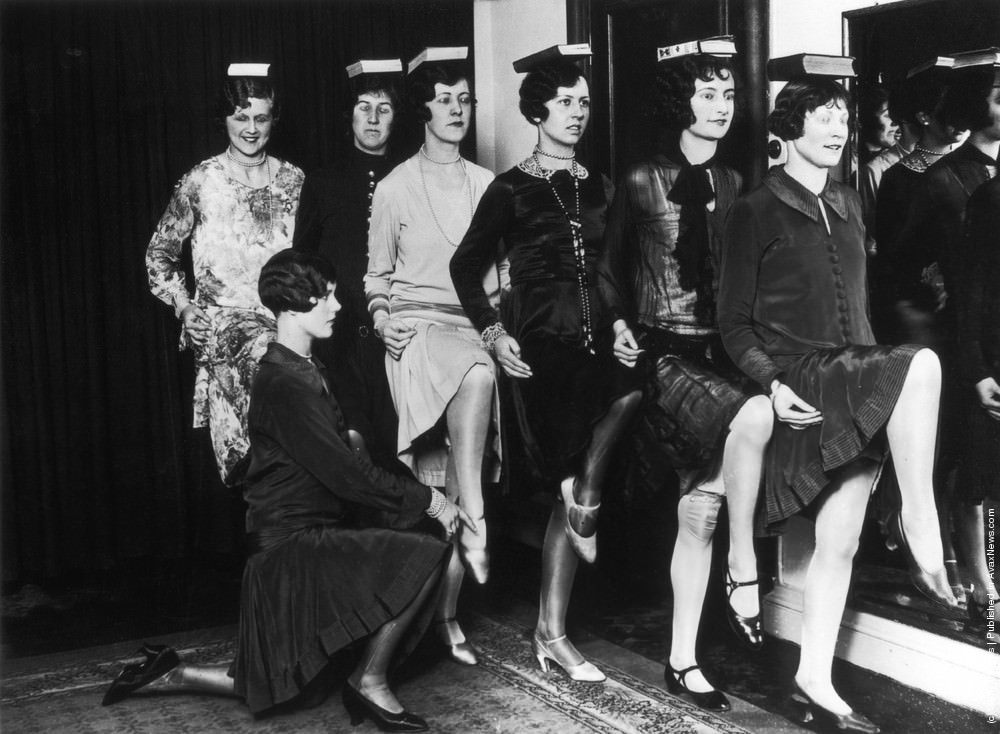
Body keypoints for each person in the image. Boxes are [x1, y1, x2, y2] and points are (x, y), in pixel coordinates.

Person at [103, 249, 473, 732]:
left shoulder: (302, 367)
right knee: (424, 556)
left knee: (296, 683)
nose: (338, 306)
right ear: (295, 306)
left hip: (304, 540)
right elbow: (347, 475)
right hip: (290, 552)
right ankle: (370, 681)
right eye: (326, 297)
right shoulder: (283, 381)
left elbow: (345, 464)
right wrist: (432, 500)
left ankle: (169, 671)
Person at [718, 74, 958, 734]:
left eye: (843, 119)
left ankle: (814, 679)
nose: (838, 129)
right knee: (923, 363)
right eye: (823, 117)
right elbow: (732, 322)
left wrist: (879, 388)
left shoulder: (850, 201)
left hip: (852, 377)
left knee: (841, 539)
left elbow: (859, 308)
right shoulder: (753, 209)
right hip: (800, 380)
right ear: (788, 128)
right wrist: (772, 384)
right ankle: (920, 520)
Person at [451, 49, 642, 683]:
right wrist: (493, 332)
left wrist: (619, 324)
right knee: (572, 461)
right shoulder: (510, 188)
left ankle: (553, 617)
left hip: (592, 338)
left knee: (630, 391)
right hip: (536, 342)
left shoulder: (602, 186)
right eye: (565, 103)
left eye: (583, 102)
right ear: (537, 111)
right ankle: (554, 628)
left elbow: (609, 272)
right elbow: (464, 265)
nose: (577, 113)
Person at [600, 45, 770, 711]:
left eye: (728, 95)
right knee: (750, 419)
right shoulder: (642, 178)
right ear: (681, 101)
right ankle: (744, 568)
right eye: (707, 94)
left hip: (722, 352)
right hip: (664, 353)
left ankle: (681, 661)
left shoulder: (735, 181)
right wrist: (618, 322)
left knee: (701, 509)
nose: (721, 107)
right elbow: (609, 267)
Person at [365, 48, 500, 666]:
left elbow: (501, 275)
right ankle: (478, 521)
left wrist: (498, 326)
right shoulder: (395, 187)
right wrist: (382, 320)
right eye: (444, 99)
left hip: (472, 326)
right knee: (478, 375)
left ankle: (445, 617)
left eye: (464, 99)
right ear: (423, 109)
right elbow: (376, 277)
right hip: (416, 332)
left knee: (448, 477)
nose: (456, 109)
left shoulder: (486, 186)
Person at [146, 64, 305, 483]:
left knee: (295, 458)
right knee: (258, 461)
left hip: (289, 329)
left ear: (273, 119)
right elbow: (159, 254)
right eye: (240, 117)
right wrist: (184, 306)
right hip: (225, 334)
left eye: (261, 118)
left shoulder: (295, 181)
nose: (251, 129)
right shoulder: (201, 181)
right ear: (224, 118)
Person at [887, 60, 1000, 610]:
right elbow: (900, 261)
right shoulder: (939, 178)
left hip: (992, 331)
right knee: (961, 460)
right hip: (957, 335)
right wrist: (932, 290)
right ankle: (963, 570)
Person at [294, 59, 406, 472]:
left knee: (399, 445)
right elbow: (303, 257)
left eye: (384, 108)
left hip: (397, 330)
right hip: (339, 337)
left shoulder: (409, 177)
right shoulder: (322, 181)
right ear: (350, 116)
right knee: (353, 445)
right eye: (364, 107)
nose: (373, 118)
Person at [954, 173, 1000, 640]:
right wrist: (977, 370)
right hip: (992, 358)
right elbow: (971, 287)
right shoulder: (992, 198)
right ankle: (983, 592)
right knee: (977, 481)